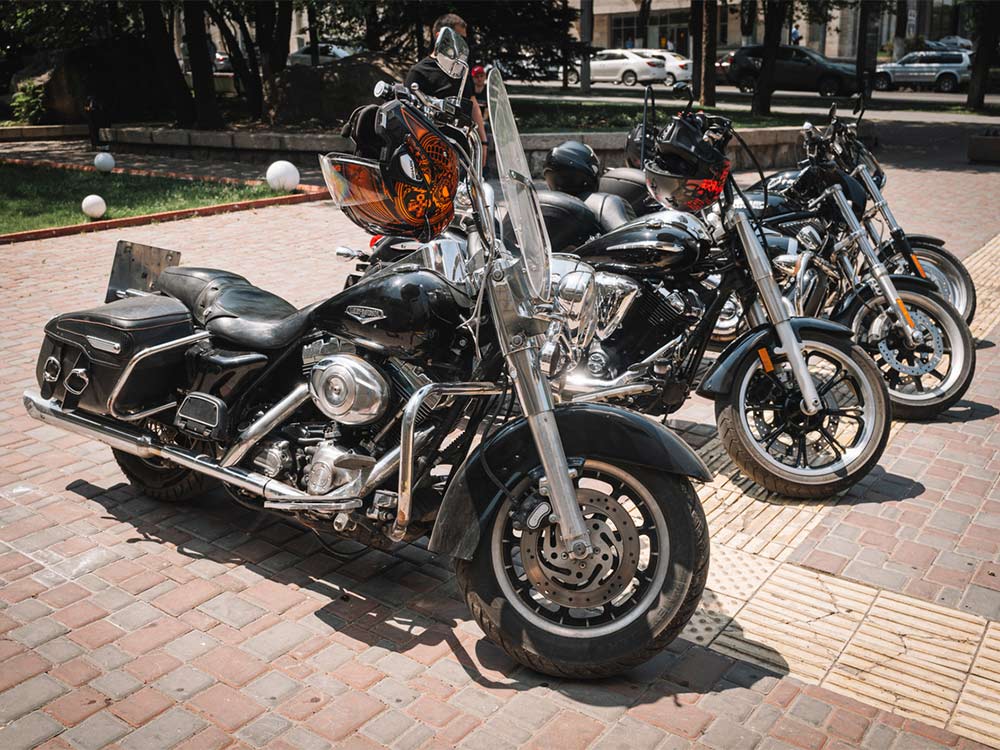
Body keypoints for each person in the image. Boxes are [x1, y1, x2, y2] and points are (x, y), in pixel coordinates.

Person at [405, 13, 488, 161]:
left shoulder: (462, 70)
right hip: (432, 157)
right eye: (458, 38)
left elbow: (472, 103)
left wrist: (483, 143)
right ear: (439, 36)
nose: (462, 45)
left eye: (464, 39)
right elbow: (408, 118)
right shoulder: (418, 72)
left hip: (464, 155)